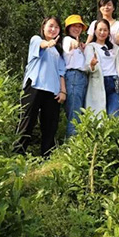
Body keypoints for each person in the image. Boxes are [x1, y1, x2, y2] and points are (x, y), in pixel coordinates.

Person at [15, 16, 66, 157]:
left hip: (53, 90)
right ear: (43, 27)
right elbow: (42, 44)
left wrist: (63, 91)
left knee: (50, 125)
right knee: (27, 120)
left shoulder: (59, 52)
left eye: (56, 27)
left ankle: (47, 156)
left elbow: (61, 73)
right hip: (35, 86)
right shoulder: (36, 40)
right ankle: (18, 154)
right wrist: (48, 44)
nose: (53, 29)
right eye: (50, 26)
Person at [84, 19, 119, 117]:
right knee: (99, 115)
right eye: (100, 30)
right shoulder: (91, 47)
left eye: (105, 30)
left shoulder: (114, 48)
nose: (102, 32)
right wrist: (92, 65)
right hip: (99, 81)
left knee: (114, 114)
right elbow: (88, 67)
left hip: (114, 81)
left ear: (109, 32)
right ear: (95, 31)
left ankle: (115, 132)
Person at [62, 15, 88, 138]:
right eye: (74, 26)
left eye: (79, 26)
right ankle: (71, 146)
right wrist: (76, 44)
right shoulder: (67, 40)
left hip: (82, 77)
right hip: (73, 77)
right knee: (74, 113)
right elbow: (70, 44)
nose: (77, 28)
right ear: (68, 28)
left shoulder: (80, 46)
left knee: (80, 112)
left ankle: (77, 144)